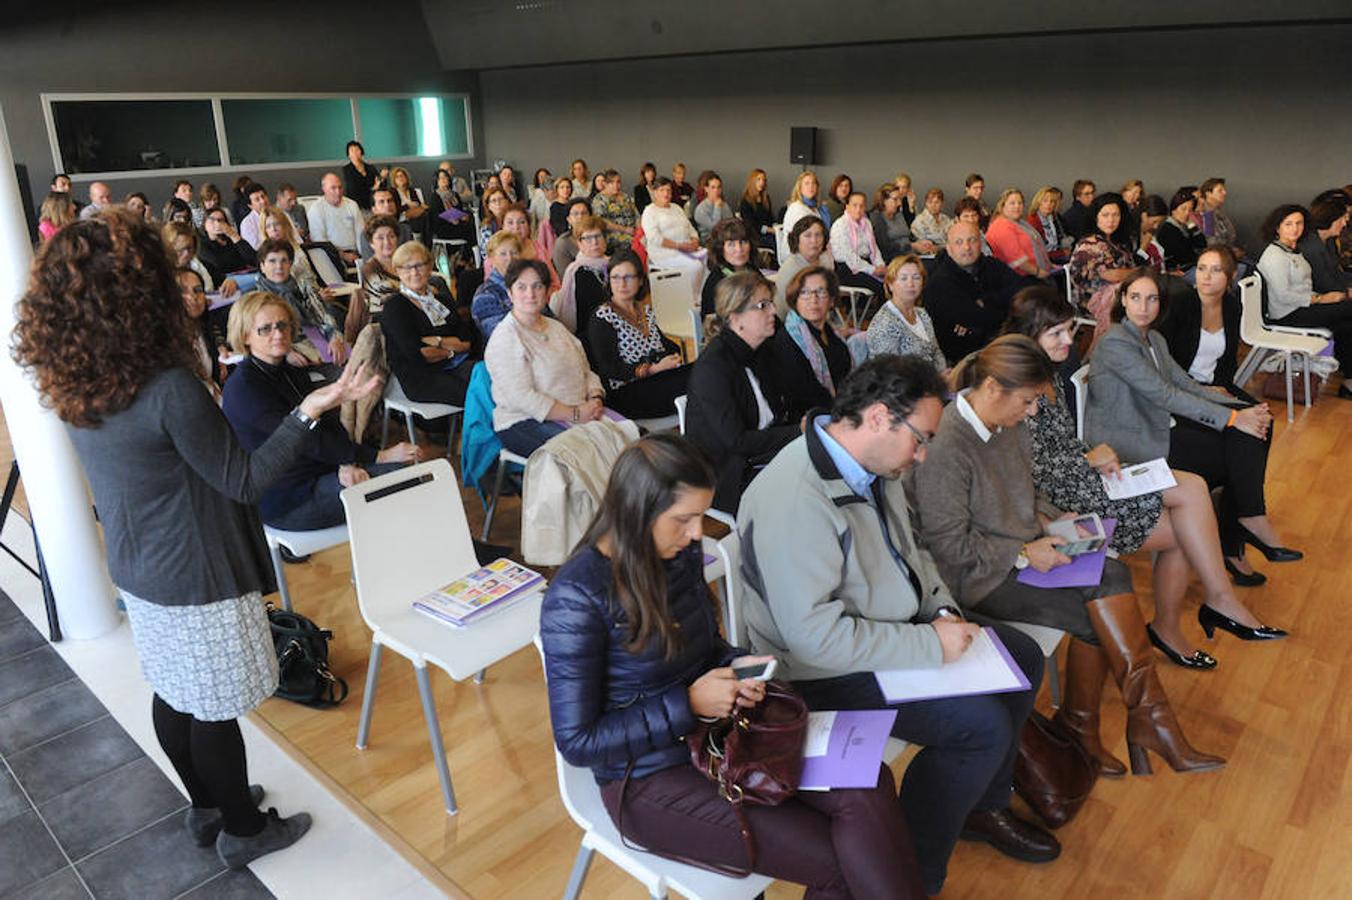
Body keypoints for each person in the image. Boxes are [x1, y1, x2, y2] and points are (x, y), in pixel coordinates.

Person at [14, 215, 377, 869]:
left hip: (138, 563)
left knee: (175, 693)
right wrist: (311, 409)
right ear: (139, 294)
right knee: (214, 708)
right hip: (196, 571)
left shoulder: (76, 382)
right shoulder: (166, 387)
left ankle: (208, 805)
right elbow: (246, 479)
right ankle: (243, 828)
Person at [541, 434, 925, 898]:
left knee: (867, 781)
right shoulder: (576, 597)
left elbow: (703, 648)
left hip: (721, 737)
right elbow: (579, 743)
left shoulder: (674, 552)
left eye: (701, 515)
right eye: (684, 519)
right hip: (645, 780)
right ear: (636, 510)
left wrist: (736, 666)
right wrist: (688, 703)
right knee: (842, 858)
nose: (698, 533)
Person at [737, 355, 1053, 896]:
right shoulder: (795, 498)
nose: (925, 453)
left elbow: (915, 555)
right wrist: (929, 643)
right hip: (817, 671)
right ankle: (912, 874)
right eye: (921, 438)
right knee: (981, 728)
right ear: (880, 417)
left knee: (1022, 657)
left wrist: (942, 610)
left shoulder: (874, 464)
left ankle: (976, 806)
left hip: (888, 627)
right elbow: (814, 640)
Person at [913, 335, 1224, 785]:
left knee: (1112, 573)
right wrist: (1022, 552)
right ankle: (1133, 725)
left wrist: (1054, 519)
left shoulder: (1008, 421)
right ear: (993, 389)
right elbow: (948, 549)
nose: (1033, 412)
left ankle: (1121, 723)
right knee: (1094, 614)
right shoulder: (948, 444)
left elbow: (1023, 488)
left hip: (1023, 549)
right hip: (978, 575)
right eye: (1028, 401)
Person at [1008, 282, 1279, 677]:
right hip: (1069, 495)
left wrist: (1089, 454)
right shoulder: (1015, 385)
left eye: (1069, 330)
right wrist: (1051, 511)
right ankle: (1192, 615)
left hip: (1085, 475)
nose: (1071, 339)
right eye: (1058, 333)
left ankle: (1208, 605)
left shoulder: (1049, 370)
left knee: (1194, 488)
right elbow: (1022, 469)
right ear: (1030, 333)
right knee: (1189, 526)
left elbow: (1058, 446)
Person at [1086, 269, 1304, 610]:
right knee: (1238, 446)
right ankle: (1244, 526)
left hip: (1152, 424)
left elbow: (1182, 383)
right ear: (1123, 301)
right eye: (1135, 298)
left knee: (1254, 429)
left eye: (1152, 299)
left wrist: (1232, 402)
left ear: (1161, 303)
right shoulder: (1116, 341)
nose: (1143, 306)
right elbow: (1164, 394)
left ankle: (1244, 526)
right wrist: (1233, 416)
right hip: (1128, 443)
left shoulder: (1153, 339)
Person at [222, 291, 417, 530]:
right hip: (289, 499)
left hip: (318, 473)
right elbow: (305, 441)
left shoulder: (289, 370)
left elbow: (328, 423)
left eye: (282, 325)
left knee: (406, 476)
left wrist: (347, 462)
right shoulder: (243, 388)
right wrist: (377, 457)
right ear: (245, 335)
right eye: (265, 329)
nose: (278, 334)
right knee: (405, 482)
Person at [685, 271, 797, 514]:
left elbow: (783, 407)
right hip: (728, 472)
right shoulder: (713, 368)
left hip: (764, 453)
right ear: (736, 318)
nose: (772, 312)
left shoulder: (764, 350)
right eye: (762, 306)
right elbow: (736, 442)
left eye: (771, 304)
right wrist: (798, 432)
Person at [485, 259, 605, 456]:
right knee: (585, 453)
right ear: (510, 293)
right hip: (526, 421)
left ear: (547, 291)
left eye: (537, 286)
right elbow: (522, 398)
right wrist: (575, 414)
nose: (530, 294)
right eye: (521, 287)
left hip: (580, 410)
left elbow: (585, 370)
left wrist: (595, 397)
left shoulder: (556, 327)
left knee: (628, 439)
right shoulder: (506, 337)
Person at [1256, 204, 1352, 387]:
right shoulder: (1275, 255)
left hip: (1302, 306)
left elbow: (1302, 288)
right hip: (1287, 314)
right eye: (1288, 224)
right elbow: (1284, 295)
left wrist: (1324, 298)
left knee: (1346, 324)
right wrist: (1322, 299)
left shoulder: (1292, 249)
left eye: (1299, 223)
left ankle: (1349, 381)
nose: (1295, 228)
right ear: (1277, 228)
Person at [586, 249, 690, 419]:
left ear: (641, 280)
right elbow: (609, 368)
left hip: (653, 381)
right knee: (696, 382)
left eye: (629, 277)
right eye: (616, 278)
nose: (622, 284)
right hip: (626, 392)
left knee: (699, 371)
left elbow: (665, 345)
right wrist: (652, 369)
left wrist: (673, 357)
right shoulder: (603, 317)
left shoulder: (645, 310)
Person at [382, 241, 480, 406]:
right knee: (478, 392)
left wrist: (438, 342)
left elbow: (467, 341)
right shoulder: (395, 306)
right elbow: (418, 354)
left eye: (420, 265)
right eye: (406, 267)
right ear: (397, 272)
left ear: (429, 267)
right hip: (422, 378)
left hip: (457, 366)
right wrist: (451, 350)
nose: (414, 272)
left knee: (496, 379)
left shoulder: (441, 300)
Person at [925, 220, 1030, 362]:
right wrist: (1010, 310)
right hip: (966, 359)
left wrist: (988, 301)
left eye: (972, 240)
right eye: (959, 242)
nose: (967, 247)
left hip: (1005, 344)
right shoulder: (939, 282)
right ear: (948, 248)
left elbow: (1025, 289)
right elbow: (977, 319)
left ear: (980, 243)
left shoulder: (992, 265)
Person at [765, 266, 853, 422]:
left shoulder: (831, 333)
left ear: (832, 300)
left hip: (842, 408)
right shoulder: (787, 341)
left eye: (821, 292)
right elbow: (806, 395)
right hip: (810, 420)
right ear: (795, 300)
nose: (813, 300)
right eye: (804, 293)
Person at [255, 238, 348, 365]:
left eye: (284, 261)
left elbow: (322, 314)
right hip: (285, 349)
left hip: (316, 337)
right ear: (262, 266)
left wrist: (334, 338)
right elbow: (259, 337)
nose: (279, 267)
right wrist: (286, 352)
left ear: (290, 264)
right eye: (272, 261)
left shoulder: (303, 285)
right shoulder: (257, 299)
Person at [867, 254, 947, 372]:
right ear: (890, 285)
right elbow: (888, 374)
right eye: (903, 278)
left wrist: (943, 375)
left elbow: (936, 352)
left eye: (916, 277)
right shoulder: (885, 324)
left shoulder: (922, 314)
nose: (910, 284)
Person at [1068, 193, 1135, 311]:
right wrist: (1141, 272)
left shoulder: (1118, 241)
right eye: (1105, 215)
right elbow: (1113, 275)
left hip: (1120, 294)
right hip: (1093, 300)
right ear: (1096, 217)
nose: (1111, 220)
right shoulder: (1089, 245)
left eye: (1116, 215)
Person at [640, 176, 706, 297]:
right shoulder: (650, 211)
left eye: (668, 190)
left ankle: (701, 297)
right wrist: (679, 246)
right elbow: (654, 238)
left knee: (709, 258)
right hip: (665, 253)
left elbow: (690, 228)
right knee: (695, 266)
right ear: (655, 192)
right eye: (662, 190)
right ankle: (689, 299)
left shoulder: (676, 208)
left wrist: (695, 241)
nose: (666, 193)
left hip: (686, 249)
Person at [177, 266, 227, 398]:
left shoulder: (203, 330)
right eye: (182, 291)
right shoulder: (168, 343)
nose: (192, 297)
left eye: (198, 290)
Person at [773, 216, 835, 318]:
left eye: (818, 235)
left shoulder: (825, 260)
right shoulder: (791, 269)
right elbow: (794, 311)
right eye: (808, 236)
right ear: (797, 240)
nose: (814, 241)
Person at [830, 191, 887, 299]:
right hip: (847, 268)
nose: (858, 209)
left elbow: (874, 249)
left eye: (862, 206)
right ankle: (883, 315)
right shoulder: (840, 225)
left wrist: (880, 266)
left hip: (865, 264)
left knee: (891, 281)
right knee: (881, 287)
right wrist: (873, 270)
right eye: (854, 205)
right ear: (847, 207)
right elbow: (849, 257)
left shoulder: (866, 223)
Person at [986, 188, 1053, 279]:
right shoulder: (1001, 226)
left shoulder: (1020, 222)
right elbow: (1017, 260)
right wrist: (1038, 272)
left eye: (1020, 203)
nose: (1017, 206)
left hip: (1034, 273)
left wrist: (1049, 265)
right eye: (1012, 203)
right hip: (1018, 279)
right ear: (1002, 206)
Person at [471, 231, 524, 341]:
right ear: (492, 259)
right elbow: (501, 335)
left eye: (514, 253)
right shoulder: (485, 295)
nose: (510, 258)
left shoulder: (529, 287)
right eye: (503, 254)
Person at [163, 221, 238, 298]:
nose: (186, 253)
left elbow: (223, 281)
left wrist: (230, 283)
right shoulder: (160, 276)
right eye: (180, 249)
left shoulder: (205, 266)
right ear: (168, 249)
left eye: (189, 248)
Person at [700, 218, 757, 317]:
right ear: (720, 248)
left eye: (743, 242)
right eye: (731, 244)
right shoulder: (716, 281)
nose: (739, 249)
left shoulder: (752, 270)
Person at [1299, 192, 1352, 297]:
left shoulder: (1329, 240)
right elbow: (1323, 284)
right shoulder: (1311, 246)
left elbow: (1336, 274)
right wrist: (1347, 292)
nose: (1345, 223)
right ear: (1329, 217)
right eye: (1342, 218)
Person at [307, 173, 365, 264]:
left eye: (340, 187)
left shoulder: (352, 205)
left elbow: (361, 234)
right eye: (333, 188)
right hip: (329, 256)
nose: (338, 192)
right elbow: (319, 241)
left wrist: (364, 256)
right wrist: (343, 255)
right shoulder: (316, 208)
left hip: (354, 253)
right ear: (324, 189)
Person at [198, 208, 257, 288]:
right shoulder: (202, 244)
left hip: (246, 274)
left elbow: (253, 259)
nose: (217, 223)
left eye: (221, 220)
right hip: (225, 281)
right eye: (212, 220)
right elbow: (218, 264)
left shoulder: (231, 239)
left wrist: (233, 235)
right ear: (204, 224)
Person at [1155, 188, 1207, 273]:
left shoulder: (1184, 227)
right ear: (1174, 210)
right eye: (1183, 209)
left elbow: (1202, 244)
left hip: (1190, 267)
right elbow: (1184, 256)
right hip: (1177, 271)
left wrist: (1191, 224)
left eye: (1190, 210)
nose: (1187, 213)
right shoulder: (1168, 229)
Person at [359, 215, 403, 314]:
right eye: (380, 238)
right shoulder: (369, 269)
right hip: (382, 318)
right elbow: (391, 298)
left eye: (391, 236)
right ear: (371, 243)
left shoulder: (404, 262)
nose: (387, 242)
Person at [591, 169, 639, 254]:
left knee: (647, 239)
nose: (616, 185)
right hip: (614, 233)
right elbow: (602, 222)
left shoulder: (625, 196)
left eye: (618, 182)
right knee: (635, 243)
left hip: (632, 231)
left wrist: (639, 230)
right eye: (612, 183)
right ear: (605, 184)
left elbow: (636, 215)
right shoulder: (599, 200)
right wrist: (625, 229)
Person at [870, 183, 917, 261]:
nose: (899, 203)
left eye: (900, 199)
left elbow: (909, 235)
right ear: (884, 201)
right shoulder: (877, 218)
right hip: (893, 259)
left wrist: (920, 242)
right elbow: (884, 247)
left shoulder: (898, 215)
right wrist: (911, 246)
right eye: (895, 199)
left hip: (910, 255)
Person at [1026, 186, 1072, 264]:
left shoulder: (1054, 218)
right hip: (1043, 260)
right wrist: (1061, 253)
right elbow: (1036, 252)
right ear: (1038, 202)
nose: (1049, 204)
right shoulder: (1033, 221)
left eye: (1052, 201)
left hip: (1055, 255)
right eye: (1045, 201)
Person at [1193, 178, 1240, 250]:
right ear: (1208, 193)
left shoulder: (1218, 213)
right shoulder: (1206, 215)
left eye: (1224, 190)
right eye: (1220, 190)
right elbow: (1211, 242)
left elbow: (1232, 235)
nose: (1225, 193)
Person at [552, 196, 593, 275]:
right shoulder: (563, 243)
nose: (580, 217)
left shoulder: (598, 236)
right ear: (569, 219)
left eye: (584, 213)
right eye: (575, 214)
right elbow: (565, 275)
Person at [739, 168, 775, 251]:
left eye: (764, 180)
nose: (762, 182)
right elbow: (751, 225)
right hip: (754, 236)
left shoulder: (765, 198)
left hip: (768, 233)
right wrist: (769, 230)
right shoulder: (745, 201)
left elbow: (770, 218)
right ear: (752, 181)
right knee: (774, 242)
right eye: (758, 179)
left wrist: (776, 227)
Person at [783, 170, 829, 235]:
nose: (811, 186)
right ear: (800, 188)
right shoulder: (796, 208)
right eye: (807, 183)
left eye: (814, 183)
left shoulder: (817, 208)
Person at [691, 172, 734, 242]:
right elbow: (715, 228)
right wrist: (717, 208)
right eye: (713, 187)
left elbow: (731, 222)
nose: (716, 191)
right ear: (706, 189)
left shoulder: (724, 205)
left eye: (719, 187)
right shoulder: (701, 209)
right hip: (709, 241)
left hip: (726, 238)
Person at [389, 166, 429, 238]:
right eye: (397, 177)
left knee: (426, 215)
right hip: (400, 219)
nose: (400, 178)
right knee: (423, 218)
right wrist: (407, 206)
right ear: (394, 180)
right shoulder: (393, 192)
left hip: (414, 216)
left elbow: (418, 204)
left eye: (402, 176)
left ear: (406, 178)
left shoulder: (412, 191)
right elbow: (394, 210)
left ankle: (425, 241)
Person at [1134, 194, 1170, 272]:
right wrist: (1143, 248)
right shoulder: (1132, 237)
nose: (1156, 226)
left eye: (1160, 222)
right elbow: (1136, 265)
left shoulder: (1157, 233)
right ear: (1144, 216)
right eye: (1154, 222)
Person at [341, 140, 380, 210]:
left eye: (357, 150)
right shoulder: (346, 170)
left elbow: (379, 184)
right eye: (352, 151)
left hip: (372, 205)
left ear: (361, 152)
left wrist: (382, 178)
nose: (355, 153)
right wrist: (372, 189)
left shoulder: (370, 168)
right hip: (355, 206)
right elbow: (353, 188)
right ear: (348, 155)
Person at [237, 182, 271, 249]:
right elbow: (256, 249)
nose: (263, 201)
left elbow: (295, 238)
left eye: (263, 196)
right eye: (257, 199)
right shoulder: (247, 223)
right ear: (250, 206)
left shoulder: (282, 214)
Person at [478, 187, 510, 254]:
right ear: (488, 206)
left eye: (501, 199)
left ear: (507, 201)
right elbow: (487, 251)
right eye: (493, 201)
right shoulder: (487, 226)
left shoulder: (513, 220)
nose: (498, 203)